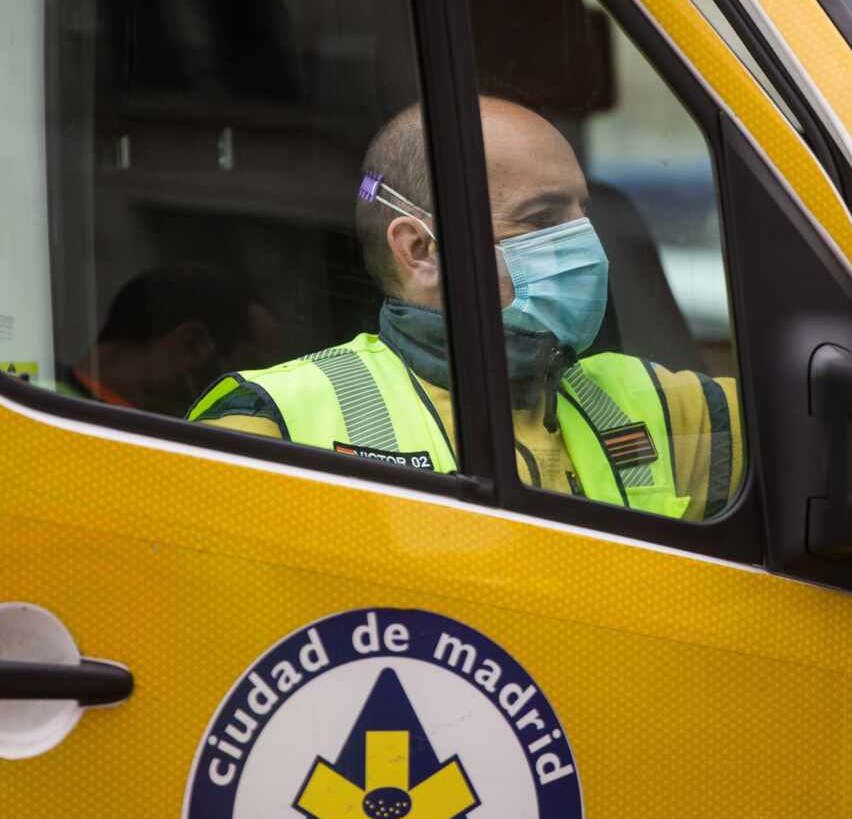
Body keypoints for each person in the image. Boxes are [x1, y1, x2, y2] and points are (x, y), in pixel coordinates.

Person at [188, 98, 741, 521]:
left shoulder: (661, 404)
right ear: (421, 250)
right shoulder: (273, 422)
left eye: (582, 213)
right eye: (544, 220)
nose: (588, 242)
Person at [59, 264, 278, 416]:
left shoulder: (42, 396)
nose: (252, 396)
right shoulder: (130, 439)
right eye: (250, 367)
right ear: (191, 345)